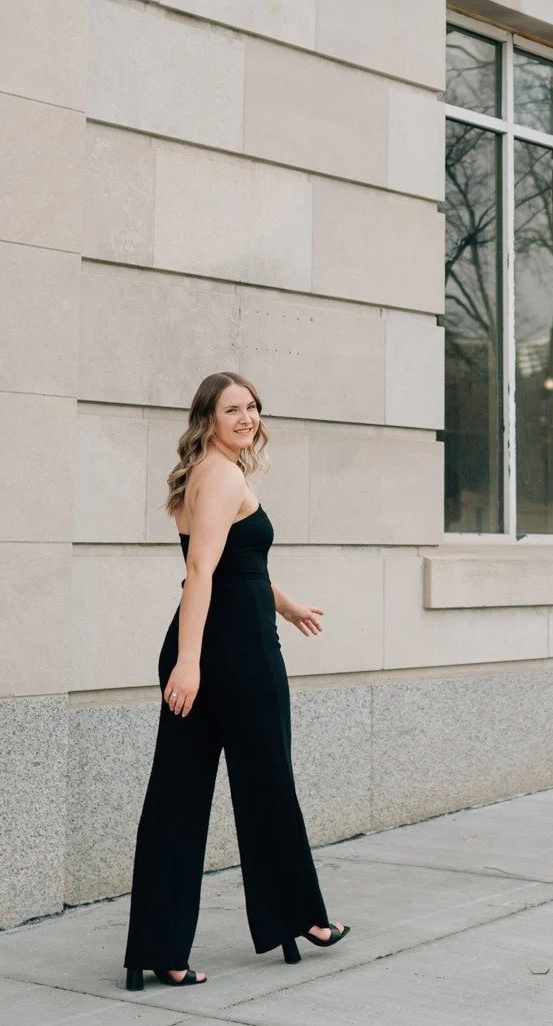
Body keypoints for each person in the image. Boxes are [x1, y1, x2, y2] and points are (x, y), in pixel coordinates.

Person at [122, 371, 348, 990]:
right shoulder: (222, 477)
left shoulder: (204, 473)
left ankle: (159, 950)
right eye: (232, 410)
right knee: (268, 783)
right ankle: (301, 917)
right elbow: (200, 571)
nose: (247, 418)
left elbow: (236, 566)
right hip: (234, 655)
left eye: (252, 407)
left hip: (207, 648)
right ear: (208, 419)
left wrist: (287, 605)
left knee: (176, 799)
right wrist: (189, 662)